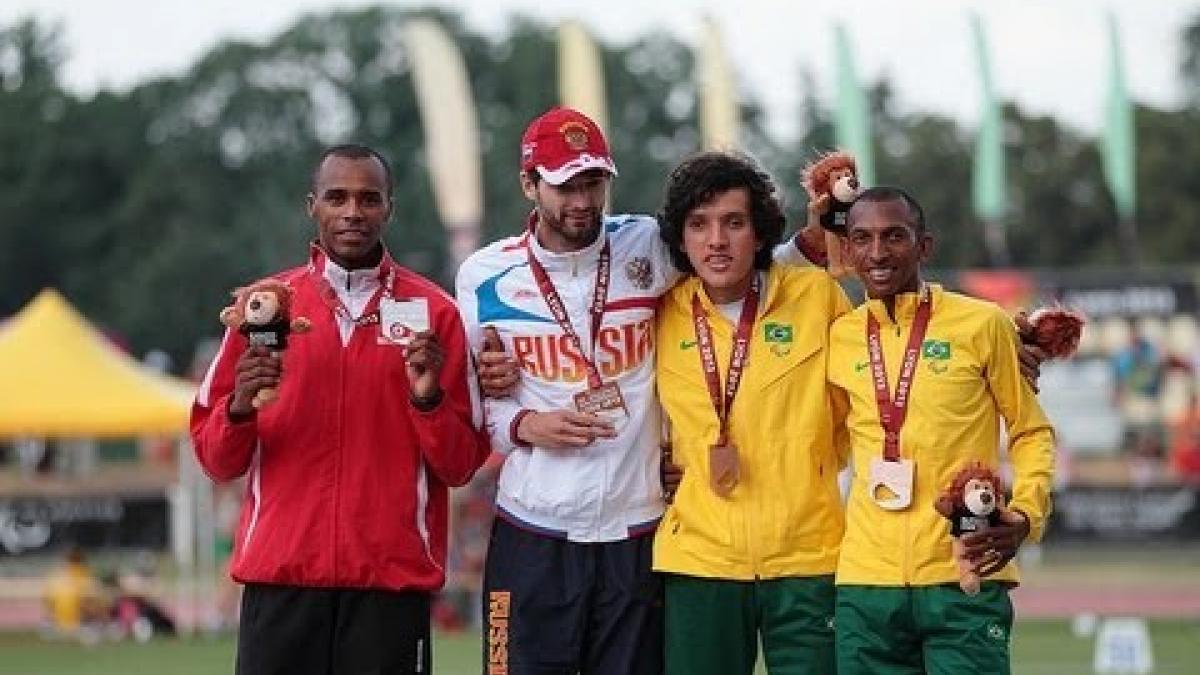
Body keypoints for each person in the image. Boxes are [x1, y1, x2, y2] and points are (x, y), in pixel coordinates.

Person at [455, 107, 822, 675]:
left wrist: (817, 239)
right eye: (565, 186)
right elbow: (482, 397)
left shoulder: (646, 243)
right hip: (533, 529)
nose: (581, 200)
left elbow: (743, 264)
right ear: (529, 184)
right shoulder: (483, 273)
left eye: (593, 182)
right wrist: (525, 426)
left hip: (637, 531)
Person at [191, 144, 489, 675]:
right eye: (338, 197)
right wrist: (238, 408)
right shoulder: (264, 308)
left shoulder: (437, 315)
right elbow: (215, 460)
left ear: (388, 208)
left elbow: (461, 464)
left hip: (388, 587)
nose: (353, 211)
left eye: (368, 198)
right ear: (313, 206)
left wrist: (427, 400)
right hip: (281, 584)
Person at [826, 186, 1055, 675]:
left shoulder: (981, 324)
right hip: (866, 584)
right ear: (847, 252)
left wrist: (1026, 515)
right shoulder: (840, 336)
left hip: (965, 569)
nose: (878, 252)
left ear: (924, 246)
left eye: (894, 236)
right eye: (862, 239)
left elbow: (1030, 431)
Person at [652, 151, 851, 675]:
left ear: (760, 233)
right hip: (700, 560)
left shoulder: (816, 298)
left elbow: (867, 398)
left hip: (811, 556)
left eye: (734, 223)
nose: (717, 240)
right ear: (680, 238)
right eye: (699, 225)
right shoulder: (658, 313)